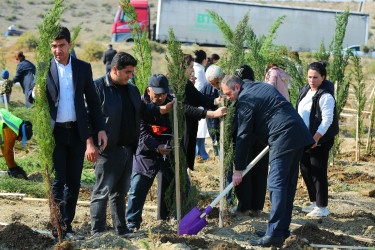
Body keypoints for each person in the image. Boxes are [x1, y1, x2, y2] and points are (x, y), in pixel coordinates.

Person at [28, 26, 108, 242]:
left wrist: (100, 129)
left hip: (77, 133)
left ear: (69, 45)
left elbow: (93, 101)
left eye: (61, 45)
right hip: (54, 135)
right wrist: (34, 93)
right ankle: (58, 228)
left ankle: (67, 225)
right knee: (58, 181)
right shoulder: (43, 68)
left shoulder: (82, 68)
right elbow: (32, 95)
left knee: (73, 182)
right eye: (53, 46)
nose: (57, 50)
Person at [221, 75, 314, 247]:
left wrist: (238, 169)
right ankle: (281, 230)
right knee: (287, 185)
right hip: (297, 133)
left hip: (283, 136)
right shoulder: (260, 87)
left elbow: (243, 136)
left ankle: (274, 235)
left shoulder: (245, 100)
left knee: (276, 185)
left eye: (228, 94)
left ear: (237, 87)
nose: (228, 99)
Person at [126, 74, 226, 231]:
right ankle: (132, 223)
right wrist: (157, 146)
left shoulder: (171, 101)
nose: (161, 98)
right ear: (148, 90)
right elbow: (142, 133)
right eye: (157, 94)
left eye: (163, 94)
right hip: (146, 155)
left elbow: (189, 110)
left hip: (170, 154)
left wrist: (213, 113)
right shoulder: (140, 104)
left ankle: (187, 218)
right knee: (137, 190)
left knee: (183, 186)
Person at [88, 53, 174, 237]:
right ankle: (98, 232)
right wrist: (90, 144)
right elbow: (87, 118)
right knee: (102, 191)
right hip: (107, 150)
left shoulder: (132, 90)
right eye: (127, 72)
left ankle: (121, 230)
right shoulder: (98, 88)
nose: (130, 76)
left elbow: (143, 111)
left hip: (128, 150)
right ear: (114, 70)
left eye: (132, 72)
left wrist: (161, 109)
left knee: (120, 193)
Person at [296, 61, 339, 217]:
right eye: (309, 77)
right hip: (305, 138)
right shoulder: (306, 90)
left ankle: (322, 207)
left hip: (320, 139)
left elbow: (327, 120)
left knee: (317, 171)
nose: (311, 80)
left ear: (323, 77)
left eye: (315, 77)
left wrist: (316, 138)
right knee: (305, 169)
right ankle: (314, 202)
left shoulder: (326, 96)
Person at [231, 65, 269, 217]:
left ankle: (244, 207)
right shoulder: (261, 90)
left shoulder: (242, 94)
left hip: (246, 138)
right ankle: (257, 207)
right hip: (262, 138)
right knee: (260, 172)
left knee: (244, 172)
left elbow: (238, 123)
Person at [182, 54, 222, 173]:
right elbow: (186, 108)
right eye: (190, 67)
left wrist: (216, 101)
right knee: (181, 162)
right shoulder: (175, 86)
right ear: (182, 68)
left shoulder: (187, 84)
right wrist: (212, 114)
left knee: (186, 164)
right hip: (181, 129)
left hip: (190, 128)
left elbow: (201, 98)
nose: (193, 70)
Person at [0, 108, 32, 180]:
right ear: (21, 133)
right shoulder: (12, 130)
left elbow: (4, 149)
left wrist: (12, 165)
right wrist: (13, 168)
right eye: (21, 138)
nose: (20, 140)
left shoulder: (15, 121)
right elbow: (8, 151)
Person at [200, 64, 223, 156]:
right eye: (212, 84)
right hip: (212, 123)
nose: (216, 86)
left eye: (217, 82)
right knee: (217, 146)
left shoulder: (229, 84)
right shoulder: (206, 87)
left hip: (226, 124)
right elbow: (200, 100)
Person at [193, 50, 210, 160]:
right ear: (204, 60)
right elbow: (199, 87)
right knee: (199, 129)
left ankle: (201, 152)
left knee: (200, 131)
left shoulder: (197, 68)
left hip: (198, 103)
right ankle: (199, 153)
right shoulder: (199, 70)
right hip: (199, 103)